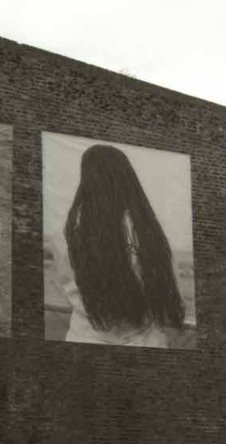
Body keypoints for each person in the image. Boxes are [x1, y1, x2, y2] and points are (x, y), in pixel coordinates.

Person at [60, 143, 191, 347]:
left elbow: (69, 288)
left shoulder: (63, 235)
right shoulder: (148, 234)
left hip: (83, 337)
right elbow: (168, 294)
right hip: (144, 341)